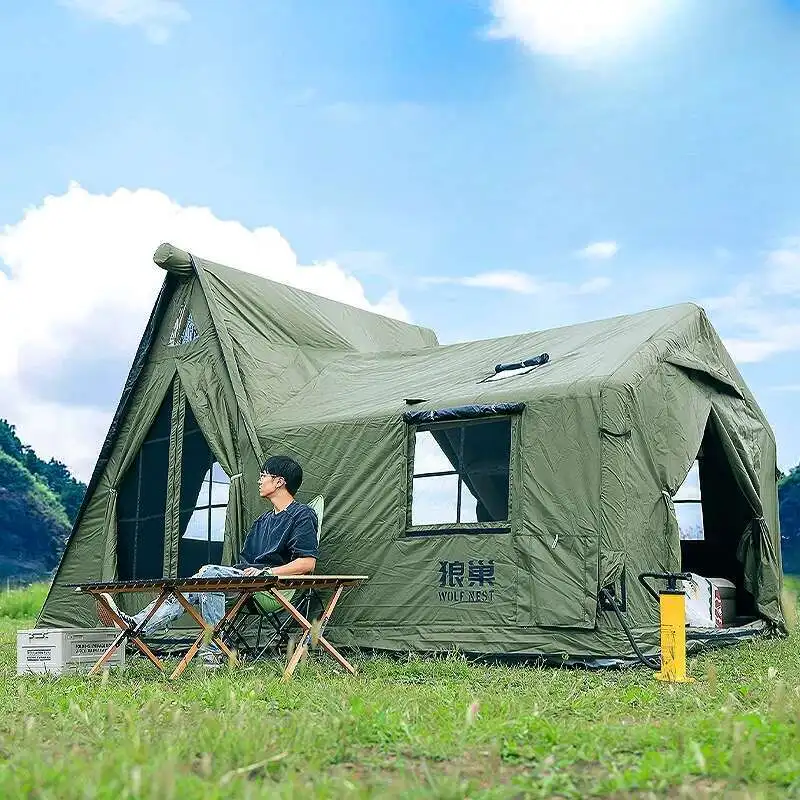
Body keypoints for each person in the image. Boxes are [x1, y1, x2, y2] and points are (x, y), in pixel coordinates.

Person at [98, 455, 318, 667]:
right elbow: (245, 563)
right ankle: (136, 625)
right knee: (191, 587)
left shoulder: (302, 515)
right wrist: (240, 574)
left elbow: (307, 563)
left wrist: (267, 572)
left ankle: (212, 649)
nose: (259, 481)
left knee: (209, 575)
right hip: (247, 584)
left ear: (279, 482)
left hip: (273, 588)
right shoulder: (262, 521)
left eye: (263, 476)